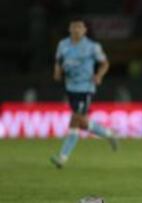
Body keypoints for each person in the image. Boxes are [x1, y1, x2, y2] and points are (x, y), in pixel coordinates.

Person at [50, 18, 117, 169]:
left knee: (76, 119)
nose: (76, 30)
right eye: (74, 27)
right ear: (69, 28)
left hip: (86, 88)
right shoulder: (63, 45)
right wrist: (57, 71)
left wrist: (99, 75)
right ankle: (108, 133)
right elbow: (58, 61)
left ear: (85, 30)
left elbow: (105, 63)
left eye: (80, 27)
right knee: (82, 123)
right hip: (70, 88)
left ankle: (62, 157)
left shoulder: (92, 47)